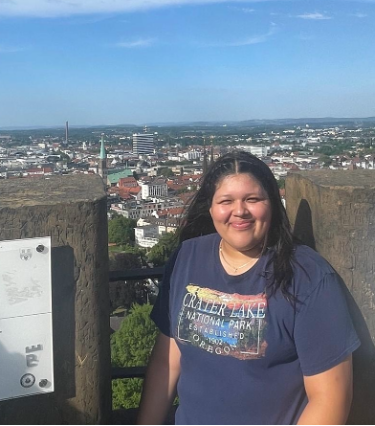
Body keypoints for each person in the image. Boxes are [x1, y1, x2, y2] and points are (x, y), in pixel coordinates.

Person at [137, 152, 360, 425]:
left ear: (272, 205)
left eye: (252, 199)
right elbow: (166, 362)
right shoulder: (187, 258)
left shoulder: (308, 276)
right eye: (226, 201)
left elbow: (330, 399)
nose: (239, 211)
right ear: (211, 207)